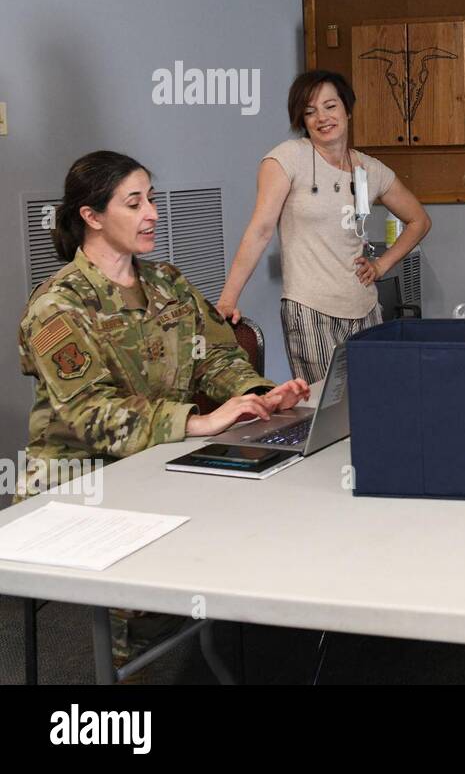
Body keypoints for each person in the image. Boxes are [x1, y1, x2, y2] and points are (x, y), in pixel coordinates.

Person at [17, 151, 310, 667]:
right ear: (92, 216)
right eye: (135, 202)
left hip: (160, 452)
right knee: (153, 598)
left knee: (266, 510)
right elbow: (91, 415)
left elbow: (214, 357)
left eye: (151, 198)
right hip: (81, 473)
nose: (153, 212)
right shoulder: (57, 307)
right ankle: (134, 668)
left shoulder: (167, 283)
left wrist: (259, 395)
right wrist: (197, 422)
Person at [217, 70, 431, 382]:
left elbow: (419, 221)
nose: (322, 118)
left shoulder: (370, 169)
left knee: (374, 398)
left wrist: (382, 265)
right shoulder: (286, 159)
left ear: (347, 109)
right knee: (328, 409)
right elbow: (260, 230)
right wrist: (228, 299)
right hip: (310, 309)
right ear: (301, 120)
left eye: (330, 106)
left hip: (365, 307)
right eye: (310, 111)